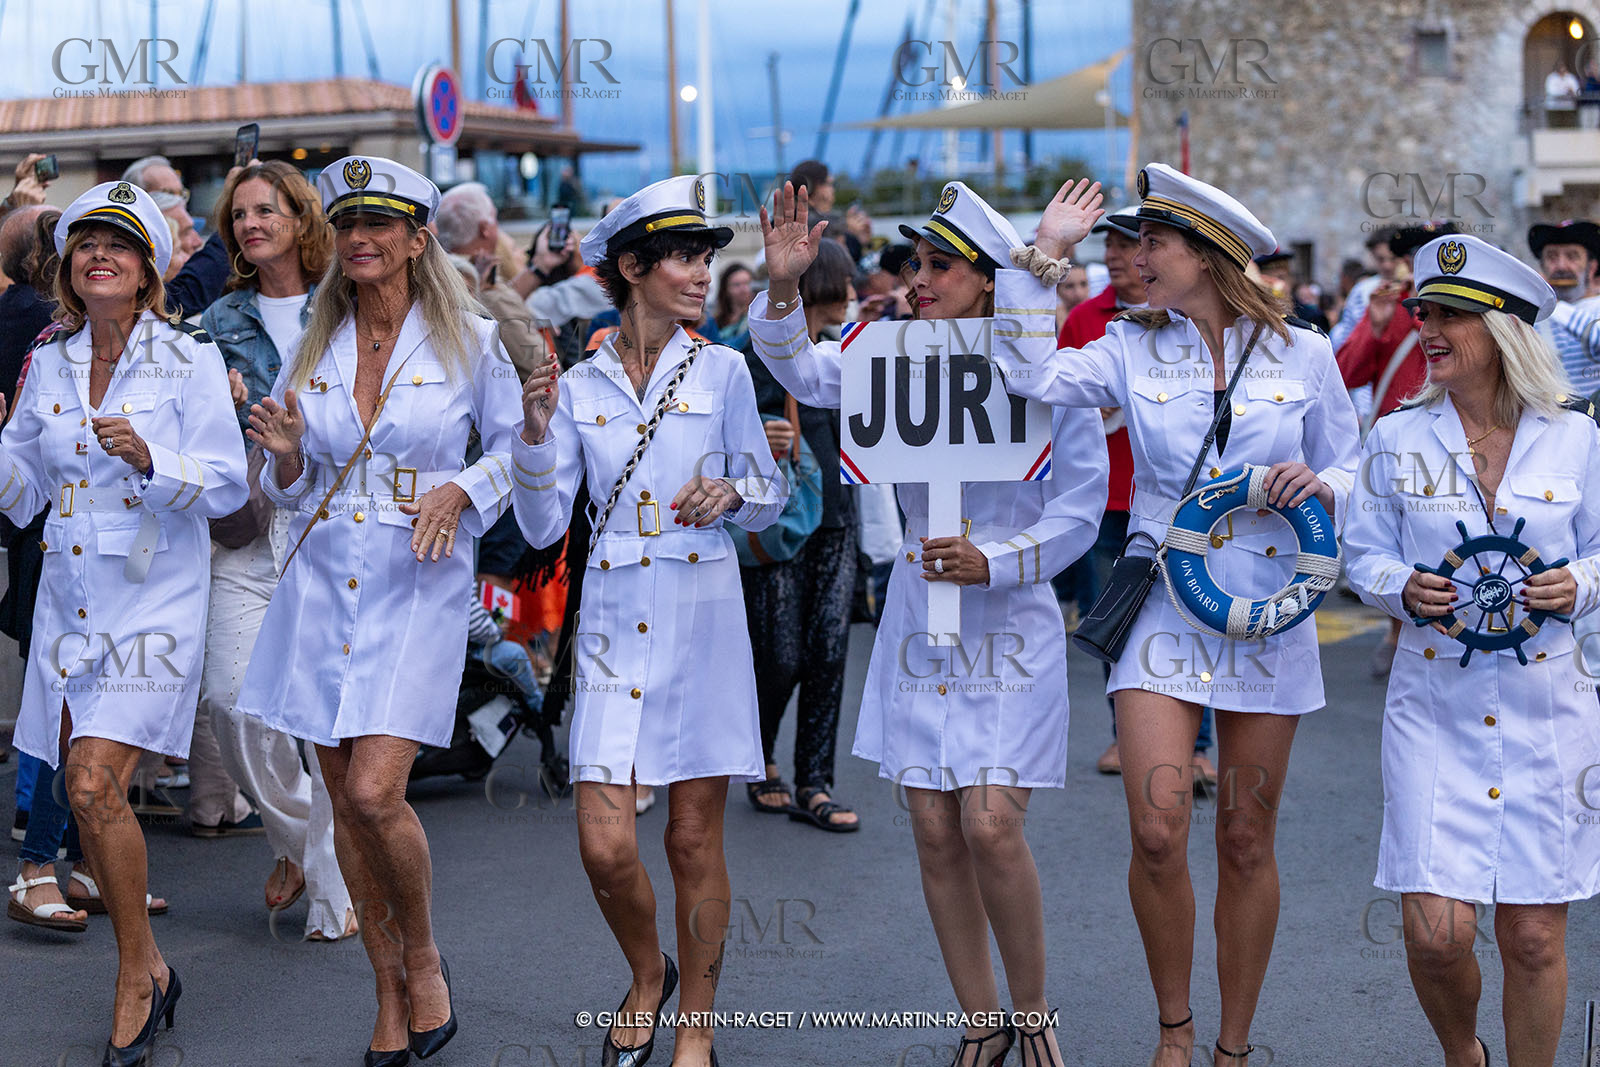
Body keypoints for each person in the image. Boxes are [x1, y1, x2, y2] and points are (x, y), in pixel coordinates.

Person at [989, 163, 1360, 1067]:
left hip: (1270, 608)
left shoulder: (1304, 354)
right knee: (1158, 829)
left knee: (1244, 836)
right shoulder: (1127, 344)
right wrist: (1043, 255)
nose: (1134, 257)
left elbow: (1354, 465)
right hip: (1164, 606)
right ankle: (1176, 1032)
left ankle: (1233, 1046)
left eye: (1152, 242)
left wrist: (1323, 482)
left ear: (1206, 254)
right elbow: (1026, 372)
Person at [755, 178, 1110, 1066]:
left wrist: (998, 559)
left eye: (940, 265)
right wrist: (783, 283)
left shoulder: (1050, 371)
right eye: (916, 262)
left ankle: (1033, 1011)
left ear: (992, 279)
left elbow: (1079, 509)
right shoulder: (887, 353)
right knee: (934, 829)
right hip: (920, 618)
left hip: (1009, 621)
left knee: (990, 824)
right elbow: (800, 369)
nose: (918, 279)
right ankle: (981, 1020)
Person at [237, 155, 528, 1064]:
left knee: (374, 792)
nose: (359, 239)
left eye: (379, 224)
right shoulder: (314, 341)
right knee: (343, 800)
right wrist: (286, 455)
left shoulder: (470, 338)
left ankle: (425, 955)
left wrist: (463, 488)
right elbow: (291, 488)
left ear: (416, 238)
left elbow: (521, 450)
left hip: (417, 585)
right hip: (322, 590)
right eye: (348, 225)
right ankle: (386, 988)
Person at [513, 173, 787, 1067]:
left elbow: (771, 489)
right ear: (632, 268)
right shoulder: (578, 382)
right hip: (610, 626)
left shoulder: (725, 370)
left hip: (702, 618)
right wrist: (533, 435)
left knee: (691, 837)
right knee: (603, 847)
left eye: (706, 258)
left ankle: (696, 1028)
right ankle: (646, 971)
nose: (701, 273)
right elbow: (543, 526)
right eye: (682, 257)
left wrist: (734, 490)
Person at [0, 180, 247, 1062]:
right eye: (85, 244)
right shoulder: (48, 362)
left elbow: (228, 485)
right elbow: (21, 493)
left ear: (147, 272)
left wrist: (152, 458)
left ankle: (134, 974)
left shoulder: (187, 360)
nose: (99, 255)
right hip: (68, 602)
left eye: (120, 245)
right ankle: (150, 965)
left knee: (93, 779)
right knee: (83, 790)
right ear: (68, 267)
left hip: (154, 599)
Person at [1344, 234, 1600, 1067]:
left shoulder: (1577, 438)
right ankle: (1464, 1053)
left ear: (1504, 329)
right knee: (1436, 932)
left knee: (1533, 935)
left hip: (1548, 713)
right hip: (1435, 710)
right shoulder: (1395, 437)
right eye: (1424, 312)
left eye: (1450, 314)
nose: (1428, 329)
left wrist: (1579, 582)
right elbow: (1361, 554)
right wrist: (1400, 587)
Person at [199, 159, 359, 939]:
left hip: (331, 528)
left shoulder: (348, 306)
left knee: (325, 717)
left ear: (301, 218)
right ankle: (296, 840)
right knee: (231, 699)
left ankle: (333, 890)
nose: (250, 224)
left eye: (265, 210)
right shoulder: (216, 321)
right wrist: (218, 405)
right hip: (248, 532)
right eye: (239, 214)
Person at [740, 238, 860, 831]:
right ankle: (759, 758)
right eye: (845, 282)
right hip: (783, 520)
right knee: (779, 656)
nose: (853, 293)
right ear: (821, 285)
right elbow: (725, 431)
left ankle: (815, 781)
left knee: (829, 656)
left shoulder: (847, 351)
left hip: (838, 520)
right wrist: (763, 432)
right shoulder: (758, 353)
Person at [1339, 220, 1458, 677]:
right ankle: (1400, 630)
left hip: (1463, 435)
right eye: (1411, 257)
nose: (1414, 265)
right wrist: (1374, 326)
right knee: (1394, 540)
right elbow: (1345, 374)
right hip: (1399, 445)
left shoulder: (1472, 305)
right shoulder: (1386, 302)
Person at [1528, 219, 1600, 395]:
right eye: (1552, 257)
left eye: (1572, 256)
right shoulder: (1534, 318)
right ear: (1542, 267)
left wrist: (1553, 304)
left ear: (1591, 267)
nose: (1561, 266)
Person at [713, 262, 753, 352]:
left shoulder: (757, 317)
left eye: (747, 283)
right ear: (726, 289)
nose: (744, 289)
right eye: (737, 285)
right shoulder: (714, 321)